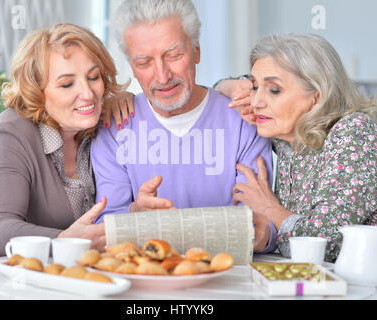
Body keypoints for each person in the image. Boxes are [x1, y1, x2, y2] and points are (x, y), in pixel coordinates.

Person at [0, 23, 130, 277]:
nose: (87, 93)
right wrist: (64, 238)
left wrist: (128, 101)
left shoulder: (95, 127)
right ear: (37, 93)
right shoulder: (12, 132)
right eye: (67, 84)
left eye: (93, 77)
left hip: (45, 279)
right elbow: (2, 228)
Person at [91, 0, 274, 253]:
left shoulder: (244, 120)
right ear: (132, 67)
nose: (163, 76)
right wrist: (135, 214)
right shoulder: (113, 127)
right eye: (144, 62)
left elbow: (263, 225)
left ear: (196, 51)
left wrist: (262, 232)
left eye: (174, 55)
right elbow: (104, 224)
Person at [214, 33, 377, 262]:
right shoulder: (289, 137)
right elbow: (219, 87)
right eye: (255, 87)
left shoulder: (355, 134)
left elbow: (324, 242)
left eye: (274, 90)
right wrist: (234, 87)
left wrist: (270, 208)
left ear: (316, 98)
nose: (257, 101)